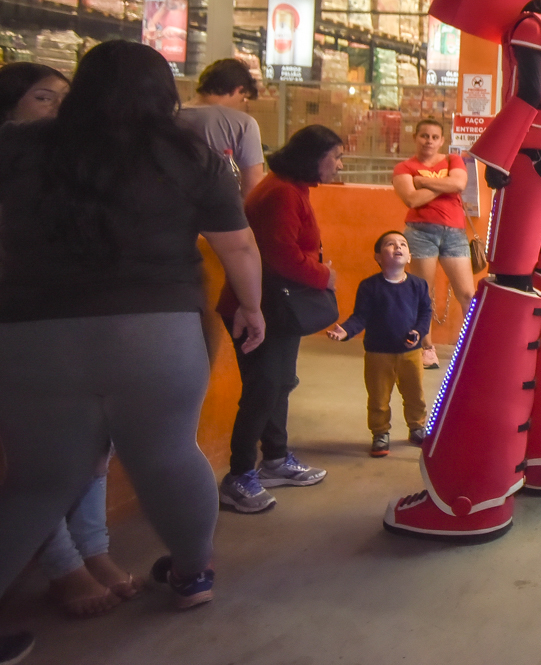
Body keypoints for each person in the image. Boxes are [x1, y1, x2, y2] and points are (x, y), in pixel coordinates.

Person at [0, 40, 266, 616]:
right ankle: (193, 574)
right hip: (156, 331)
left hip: (32, 335)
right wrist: (252, 306)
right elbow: (239, 245)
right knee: (169, 457)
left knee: (39, 482)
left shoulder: (17, 147)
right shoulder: (189, 155)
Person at [0, 63, 141, 618]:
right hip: (24, 323)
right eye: (43, 97)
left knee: (92, 444)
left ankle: (93, 549)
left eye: (65, 97)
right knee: (46, 454)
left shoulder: (72, 165)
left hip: (74, 319)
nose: (58, 108)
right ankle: (64, 566)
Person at [216, 124, 342, 514]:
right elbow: (279, 254)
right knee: (263, 389)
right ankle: (239, 476)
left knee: (279, 384)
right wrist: (323, 275)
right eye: (335, 157)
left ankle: (275, 459)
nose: (339, 165)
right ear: (313, 157)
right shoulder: (282, 193)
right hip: (259, 307)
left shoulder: (290, 188)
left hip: (276, 307)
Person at [327, 231, 433, 458]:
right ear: (378, 256)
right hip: (378, 353)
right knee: (378, 398)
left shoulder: (419, 285)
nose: (398, 247)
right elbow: (360, 317)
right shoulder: (369, 286)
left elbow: (425, 314)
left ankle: (417, 426)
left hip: (411, 353)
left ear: (410, 256)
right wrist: (346, 331)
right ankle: (380, 432)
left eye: (403, 244)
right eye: (390, 244)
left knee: (415, 395)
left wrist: (418, 332)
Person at [391, 118, 474, 366]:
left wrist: (424, 182)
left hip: (455, 234)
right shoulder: (404, 167)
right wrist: (445, 186)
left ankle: (471, 344)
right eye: (424, 136)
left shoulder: (452, 160)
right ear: (415, 137)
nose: (429, 141)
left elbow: (459, 183)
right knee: (423, 292)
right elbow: (412, 200)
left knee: (467, 293)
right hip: (420, 233)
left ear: (442, 141)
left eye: (434, 137)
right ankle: (426, 347)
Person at [177, 58, 264, 197]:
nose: (240, 104)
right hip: (220, 207)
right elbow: (252, 187)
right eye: (242, 99)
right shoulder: (244, 124)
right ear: (237, 90)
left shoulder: (170, 115)